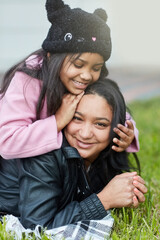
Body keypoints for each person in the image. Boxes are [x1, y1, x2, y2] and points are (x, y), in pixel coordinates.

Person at [0, 78, 147, 231]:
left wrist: (127, 189)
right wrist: (104, 200)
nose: (85, 134)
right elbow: (37, 226)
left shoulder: (108, 148)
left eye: (100, 124)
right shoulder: (45, 153)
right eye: (77, 118)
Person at [0, 0, 139, 160]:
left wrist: (128, 134)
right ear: (52, 57)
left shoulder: (89, 81)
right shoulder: (28, 81)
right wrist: (57, 121)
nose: (87, 75)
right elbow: (7, 141)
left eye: (95, 68)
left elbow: (116, 113)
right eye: (78, 64)